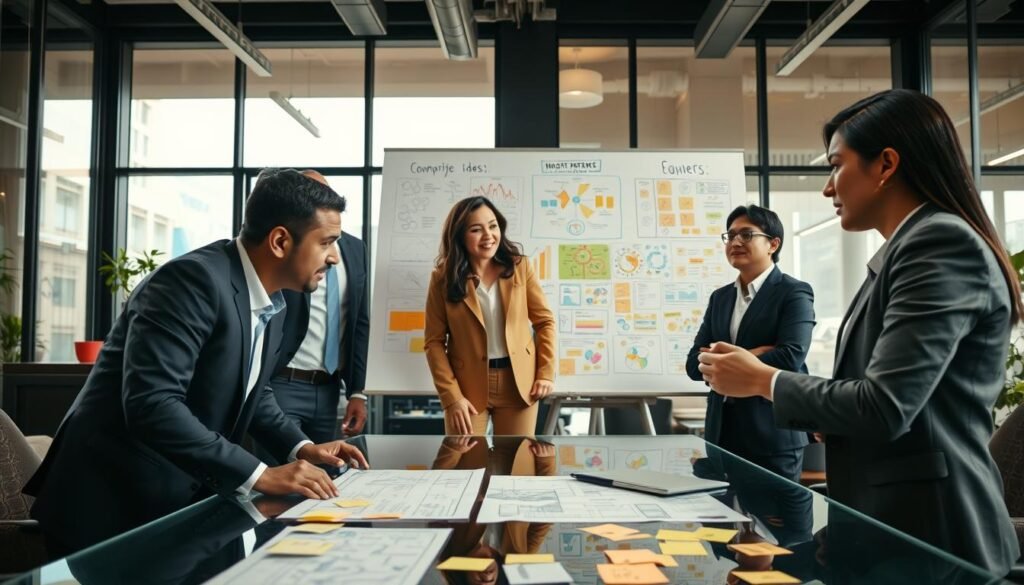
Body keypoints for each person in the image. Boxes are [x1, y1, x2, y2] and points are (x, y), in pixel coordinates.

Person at [697, 89, 1023, 575]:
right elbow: (899, 405)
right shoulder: (903, 251)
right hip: (892, 529)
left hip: (935, 542)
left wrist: (762, 380)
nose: (828, 187)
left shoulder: (938, 243)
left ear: (886, 164)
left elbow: (885, 406)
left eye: (836, 166)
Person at [23, 169, 369, 555]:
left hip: (178, 502)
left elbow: (255, 389)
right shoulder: (192, 282)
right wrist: (262, 474)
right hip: (112, 505)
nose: (336, 257)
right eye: (327, 242)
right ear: (280, 241)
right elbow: (152, 404)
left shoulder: (276, 300)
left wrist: (301, 447)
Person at [685, 205, 815, 482]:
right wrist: (756, 353)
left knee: (777, 525)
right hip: (721, 436)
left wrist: (719, 357)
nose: (735, 242)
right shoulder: (720, 298)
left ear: (773, 244)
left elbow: (789, 357)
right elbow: (692, 365)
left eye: (746, 234)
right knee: (723, 523)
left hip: (772, 435)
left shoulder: (793, 292)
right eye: (730, 236)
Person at [424, 196, 556, 435]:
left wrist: (545, 373)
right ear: (460, 236)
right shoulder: (442, 278)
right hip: (466, 387)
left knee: (517, 467)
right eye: (476, 229)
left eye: (493, 226)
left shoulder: (520, 267)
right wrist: (451, 397)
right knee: (466, 466)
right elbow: (433, 342)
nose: (488, 236)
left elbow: (544, 322)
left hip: (518, 383)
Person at [263, 170, 371, 457]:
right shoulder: (289, 247)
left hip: (329, 388)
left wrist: (357, 392)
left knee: (322, 477)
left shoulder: (355, 248)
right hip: (281, 383)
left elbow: (360, 321)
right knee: (281, 474)